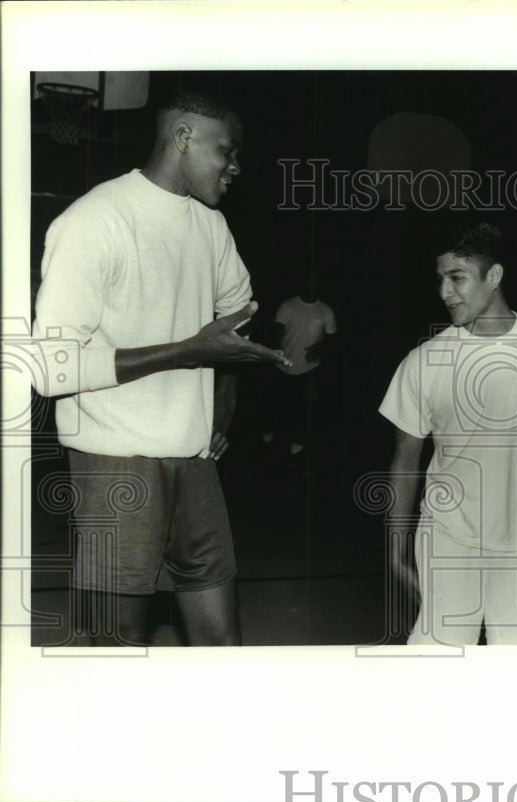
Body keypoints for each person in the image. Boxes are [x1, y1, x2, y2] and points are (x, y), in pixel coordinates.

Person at [31, 88, 289, 646]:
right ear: (183, 139)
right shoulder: (95, 220)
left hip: (194, 463)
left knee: (221, 642)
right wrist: (187, 351)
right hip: (114, 464)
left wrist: (221, 412)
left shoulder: (210, 226)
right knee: (118, 648)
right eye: (228, 151)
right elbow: (50, 369)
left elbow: (237, 316)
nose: (236, 166)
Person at [379, 223, 517, 645]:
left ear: (493, 277)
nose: (444, 292)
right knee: (434, 681)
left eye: (456, 278)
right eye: (439, 279)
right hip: (448, 541)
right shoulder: (424, 360)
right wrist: (395, 548)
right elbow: (404, 461)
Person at [262, 276, 337, 462]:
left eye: (315, 283)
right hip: (282, 364)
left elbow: (333, 341)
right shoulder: (288, 306)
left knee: (304, 408)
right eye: (308, 282)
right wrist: (275, 353)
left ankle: (297, 448)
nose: (311, 286)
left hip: (309, 369)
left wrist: (321, 347)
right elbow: (276, 332)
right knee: (277, 405)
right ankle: (267, 438)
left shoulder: (326, 311)